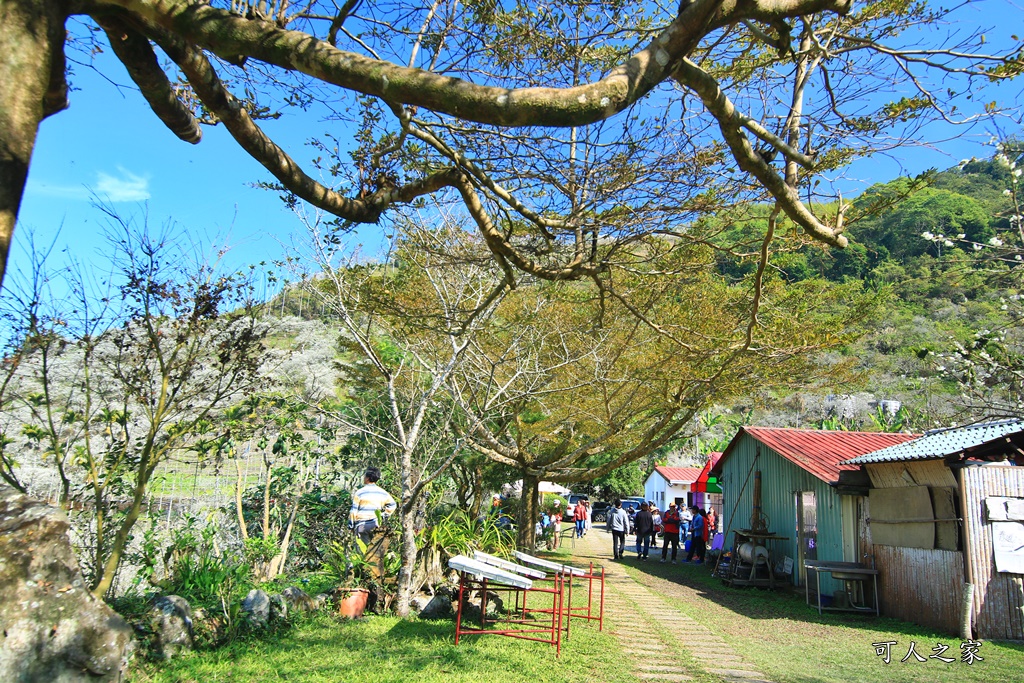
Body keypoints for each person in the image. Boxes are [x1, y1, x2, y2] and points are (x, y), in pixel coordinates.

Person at [349, 466, 398, 545]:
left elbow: (353, 511)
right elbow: (393, 505)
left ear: (367, 478)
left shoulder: (360, 492)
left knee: (362, 552)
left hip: (361, 525)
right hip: (375, 525)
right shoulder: (383, 493)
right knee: (374, 552)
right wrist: (383, 515)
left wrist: (351, 526)